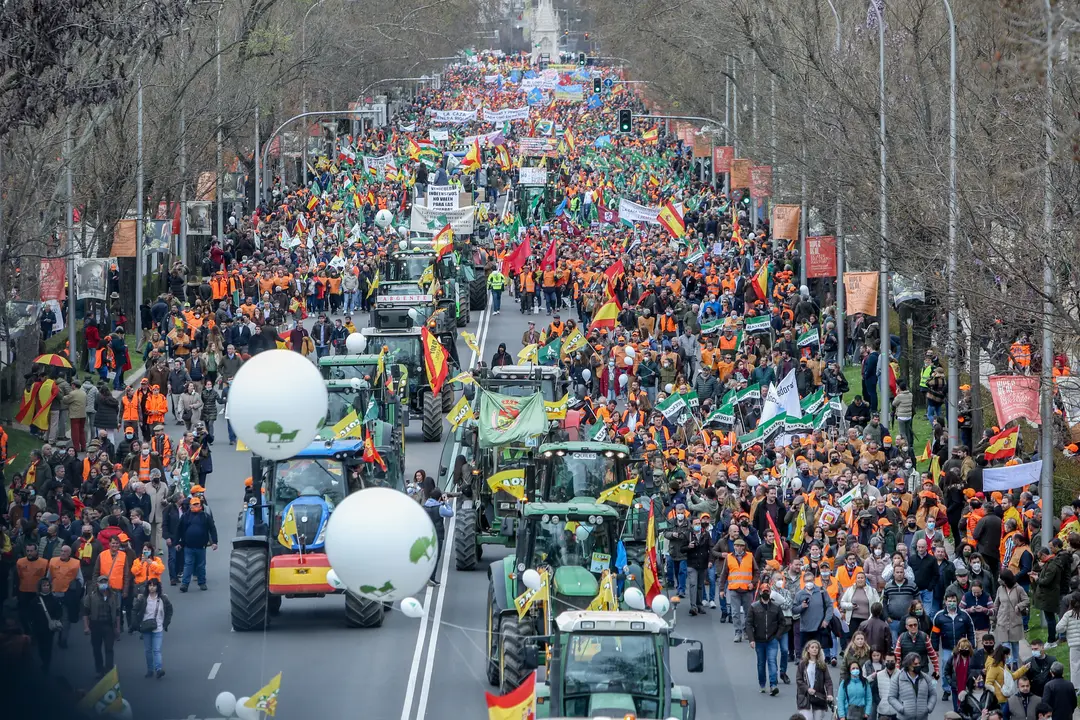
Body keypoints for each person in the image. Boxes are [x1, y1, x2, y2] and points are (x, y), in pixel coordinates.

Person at [747, 582, 784, 695]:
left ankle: (773, 685)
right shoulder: (754, 607)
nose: (765, 593)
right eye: (764, 591)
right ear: (760, 593)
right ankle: (762, 684)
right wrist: (751, 639)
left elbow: (782, 623)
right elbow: (748, 624)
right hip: (759, 640)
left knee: (772, 661)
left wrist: (777, 636)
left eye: (767, 591)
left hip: (772, 639)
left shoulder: (776, 607)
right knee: (761, 663)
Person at [174, 495, 217, 592]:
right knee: (188, 565)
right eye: (194, 504)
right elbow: (179, 530)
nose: (196, 506)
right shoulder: (185, 517)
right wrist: (177, 543)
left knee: (201, 565)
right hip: (188, 546)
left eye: (197, 504)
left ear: (201, 505)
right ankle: (185, 584)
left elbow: (212, 529)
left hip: (201, 546)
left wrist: (214, 542)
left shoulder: (206, 516)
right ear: (190, 506)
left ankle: (202, 583)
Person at [82, 572, 122, 677]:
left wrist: (118, 628)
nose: (103, 584)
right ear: (97, 584)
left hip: (109, 625)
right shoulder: (91, 596)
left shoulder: (113, 596)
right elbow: (85, 612)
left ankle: (108, 670)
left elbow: (117, 612)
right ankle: (99, 670)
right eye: (101, 582)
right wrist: (86, 627)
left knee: (109, 648)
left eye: (105, 582)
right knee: (96, 649)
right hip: (95, 625)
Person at [132, 577, 172, 678]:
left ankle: (158, 669)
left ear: (157, 587)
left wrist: (166, 623)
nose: (152, 588)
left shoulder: (163, 598)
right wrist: (136, 624)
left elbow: (169, 610)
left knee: (157, 649)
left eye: (154, 585)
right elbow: (134, 610)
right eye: (150, 585)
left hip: (158, 627)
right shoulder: (143, 599)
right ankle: (150, 670)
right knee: (148, 650)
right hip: (146, 627)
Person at [885, 651, 938, 720]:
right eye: (915, 664)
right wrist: (901, 709)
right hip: (903, 718)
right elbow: (891, 697)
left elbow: (933, 694)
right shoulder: (898, 678)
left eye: (919, 663)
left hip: (922, 718)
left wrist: (929, 708)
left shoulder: (926, 678)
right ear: (908, 665)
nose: (918, 666)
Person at [27, 577, 62, 672]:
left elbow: (59, 612)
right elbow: (30, 614)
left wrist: (56, 619)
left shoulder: (54, 599)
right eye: (44, 585)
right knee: (41, 647)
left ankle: (46, 664)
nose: (46, 587)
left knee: (48, 646)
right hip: (38, 627)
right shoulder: (35, 600)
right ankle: (43, 660)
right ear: (40, 587)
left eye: (47, 585)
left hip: (49, 629)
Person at [421, 487, 453, 587]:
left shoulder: (424, 507)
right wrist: (446, 502)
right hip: (437, 536)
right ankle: (431, 578)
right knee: (435, 557)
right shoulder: (439, 508)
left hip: (425, 536)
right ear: (439, 498)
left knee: (425, 557)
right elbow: (450, 513)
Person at [796, 639, 834, 720]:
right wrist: (807, 689)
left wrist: (830, 694)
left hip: (818, 697)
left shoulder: (822, 665)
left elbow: (828, 681)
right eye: (812, 647)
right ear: (808, 649)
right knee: (807, 718)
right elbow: (799, 680)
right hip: (805, 698)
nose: (814, 649)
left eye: (816, 647)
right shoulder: (802, 664)